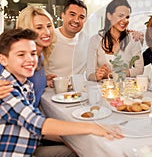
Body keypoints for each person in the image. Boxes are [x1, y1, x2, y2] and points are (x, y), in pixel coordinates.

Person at [0, 28, 123, 156]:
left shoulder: (26, 84)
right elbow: (39, 124)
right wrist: (93, 127)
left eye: (33, 53)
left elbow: (34, 129)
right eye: (21, 54)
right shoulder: (6, 89)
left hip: (29, 146)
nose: (30, 59)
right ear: (3, 59)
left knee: (76, 150)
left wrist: (74, 138)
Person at [86, 0, 143, 81]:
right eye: (120, 16)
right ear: (109, 16)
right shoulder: (95, 40)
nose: (125, 20)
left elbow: (139, 70)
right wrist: (97, 75)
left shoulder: (133, 39)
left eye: (127, 17)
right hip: (102, 90)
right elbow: (89, 74)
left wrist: (113, 74)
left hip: (124, 89)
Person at [45, 0, 89, 78]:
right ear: (63, 15)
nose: (76, 20)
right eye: (72, 14)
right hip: (52, 89)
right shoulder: (49, 38)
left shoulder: (86, 40)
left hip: (78, 89)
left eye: (81, 17)